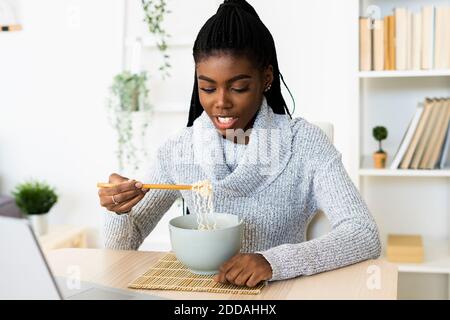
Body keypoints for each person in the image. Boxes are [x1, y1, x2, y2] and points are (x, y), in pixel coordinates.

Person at [98, 0, 381, 288]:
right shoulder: (182, 149)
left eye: (238, 88)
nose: (220, 102)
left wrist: (273, 262)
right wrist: (119, 210)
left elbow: (363, 234)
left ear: (266, 79)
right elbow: (120, 250)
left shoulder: (303, 144)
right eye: (207, 88)